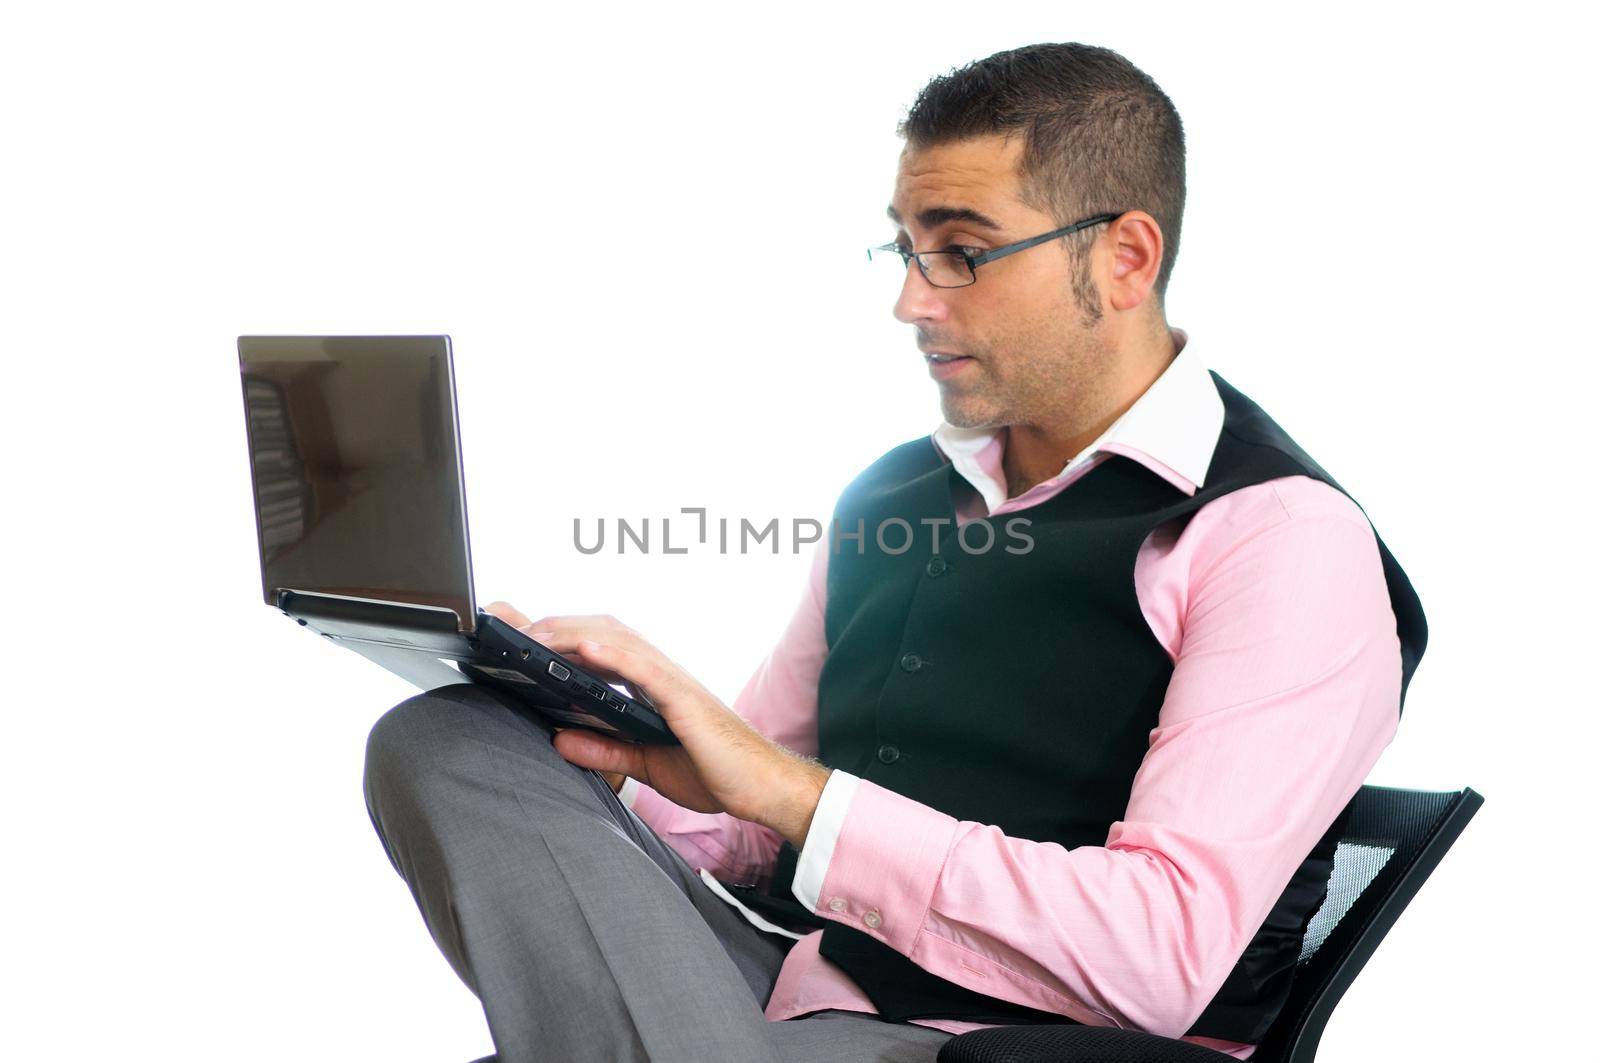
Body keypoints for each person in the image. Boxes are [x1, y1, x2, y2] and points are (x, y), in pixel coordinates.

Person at [362, 42, 1425, 1063]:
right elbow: (740, 817)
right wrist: (591, 737)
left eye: (962, 251)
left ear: (1124, 258)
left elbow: (1157, 959)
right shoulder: (890, 493)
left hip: (1010, 1050)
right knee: (448, 741)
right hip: (781, 985)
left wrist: (787, 793)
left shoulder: (1275, 537)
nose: (911, 300)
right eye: (907, 247)